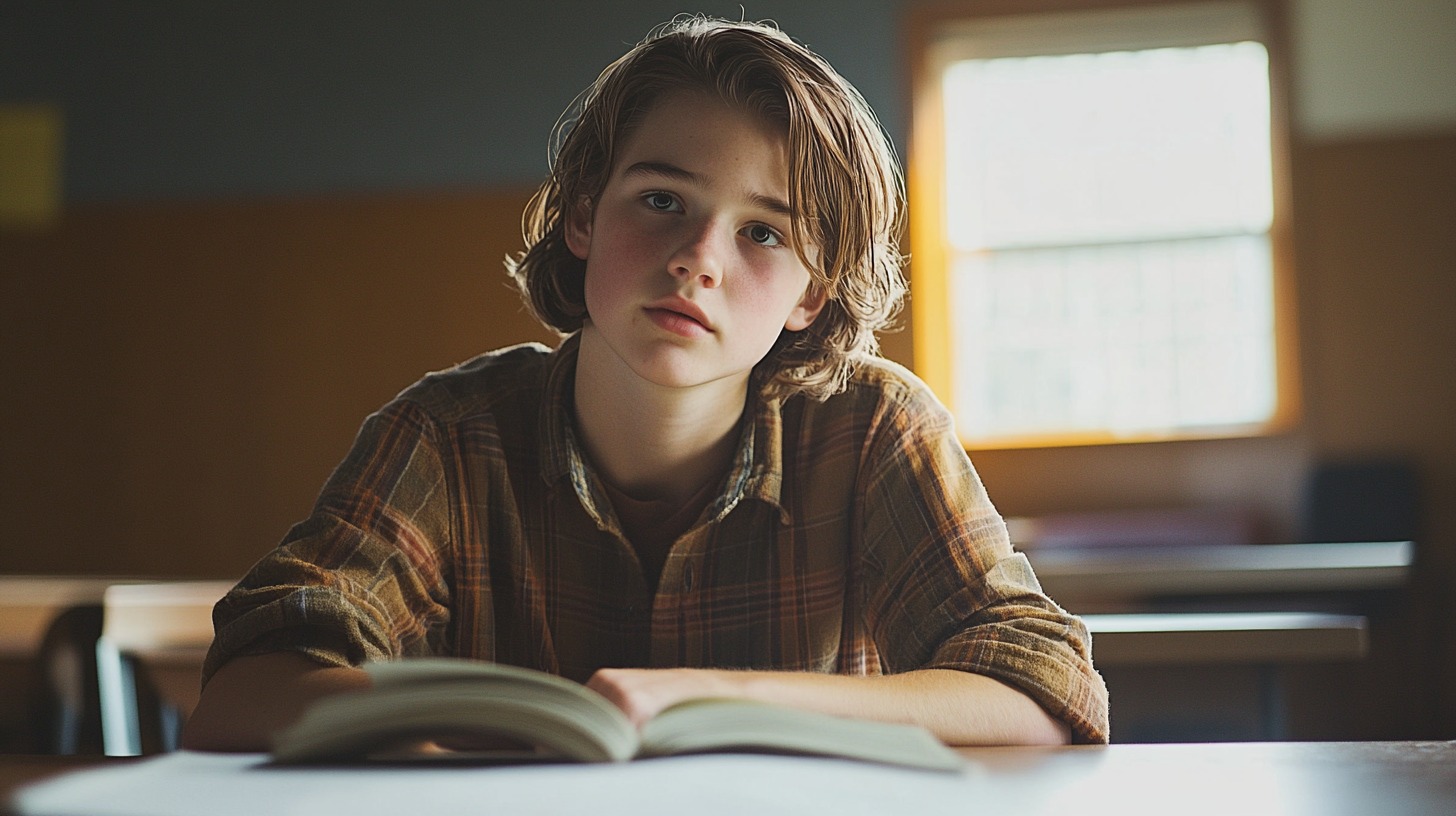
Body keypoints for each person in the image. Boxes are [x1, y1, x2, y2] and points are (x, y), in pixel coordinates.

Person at [181, 15, 1109, 751]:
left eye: (764, 233)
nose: (697, 260)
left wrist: (710, 699)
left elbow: (1043, 689)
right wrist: (469, 751)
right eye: (661, 201)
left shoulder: (874, 428)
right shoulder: (447, 436)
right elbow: (250, 685)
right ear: (584, 215)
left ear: (811, 294)